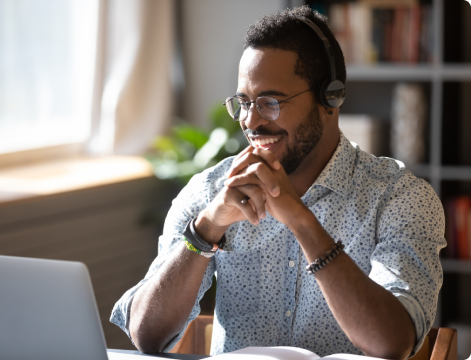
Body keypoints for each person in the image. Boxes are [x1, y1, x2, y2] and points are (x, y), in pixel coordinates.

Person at [111, 6, 445, 359]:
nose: (250, 121)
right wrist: (206, 229)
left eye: (270, 102)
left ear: (330, 98)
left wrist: (302, 222)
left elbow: (392, 343)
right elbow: (146, 337)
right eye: (243, 102)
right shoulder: (211, 191)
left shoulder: (402, 198)